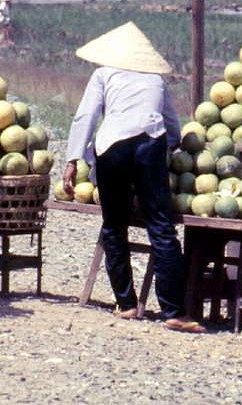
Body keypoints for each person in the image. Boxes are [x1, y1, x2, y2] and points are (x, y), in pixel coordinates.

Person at [61, 21, 205, 333]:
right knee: (162, 229)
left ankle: (126, 305)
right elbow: (172, 124)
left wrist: (73, 160)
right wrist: (169, 148)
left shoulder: (103, 74)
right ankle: (174, 311)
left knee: (114, 226)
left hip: (111, 147)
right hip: (148, 145)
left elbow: (86, 116)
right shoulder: (155, 79)